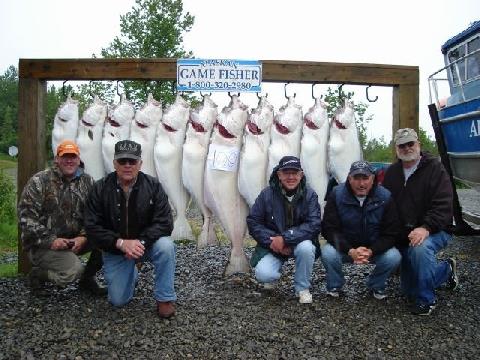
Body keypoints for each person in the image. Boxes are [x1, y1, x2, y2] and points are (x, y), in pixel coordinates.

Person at [84, 140, 176, 318]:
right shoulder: (99, 188)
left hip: (145, 245)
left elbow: (165, 222)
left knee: (166, 246)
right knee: (118, 301)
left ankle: (165, 299)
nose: (127, 165)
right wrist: (120, 243)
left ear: (140, 163)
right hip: (115, 249)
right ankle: (132, 271)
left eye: (132, 161)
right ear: (114, 163)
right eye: (122, 161)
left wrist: (139, 243)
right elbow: (92, 226)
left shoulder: (153, 186)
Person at [383, 128, 458, 316]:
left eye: (411, 144)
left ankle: (427, 300)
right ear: (396, 149)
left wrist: (425, 228)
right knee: (409, 290)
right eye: (402, 145)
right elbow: (387, 207)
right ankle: (446, 270)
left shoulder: (436, 169)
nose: (407, 148)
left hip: (436, 229)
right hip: (405, 234)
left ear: (419, 144)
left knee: (420, 248)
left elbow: (444, 205)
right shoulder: (391, 173)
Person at [18, 140, 105, 295]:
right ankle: (38, 275)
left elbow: (95, 214)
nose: (69, 160)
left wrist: (83, 237)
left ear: (79, 159)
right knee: (72, 272)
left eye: (73, 157)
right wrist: (52, 241)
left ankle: (87, 279)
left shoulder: (88, 181)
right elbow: (26, 219)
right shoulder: (39, 181)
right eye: (65, 156)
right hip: (44, 244)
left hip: (75, 241)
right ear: (57, 159)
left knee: (110, 237)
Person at [321, 160, 402, 299]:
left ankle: (376, 285)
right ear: (349, 178)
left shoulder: (385, 197)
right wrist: (350, 250)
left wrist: (371, 251)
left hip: (373, 249)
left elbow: (391, 233)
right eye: (356, 178)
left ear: (373, 178)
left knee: (394, 257)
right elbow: (329, 229)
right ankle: (335, 284)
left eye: (365, 178)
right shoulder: (336, 194)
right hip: (346, 249)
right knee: (327, 252)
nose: (361, 183)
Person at [247, 156, 322, 304]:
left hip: (299, 243)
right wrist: (274, 241)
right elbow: (253, 222)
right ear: (279, 175)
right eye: (286, 173)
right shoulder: (266, 194)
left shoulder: (310, 195)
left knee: (307, 248)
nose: (291, 177)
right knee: (263, 274)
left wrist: (286, 238)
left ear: (301, 175)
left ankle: (302, 288)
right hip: (274, 244)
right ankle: (273, 277)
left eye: (295, 173)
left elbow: (314, 224)